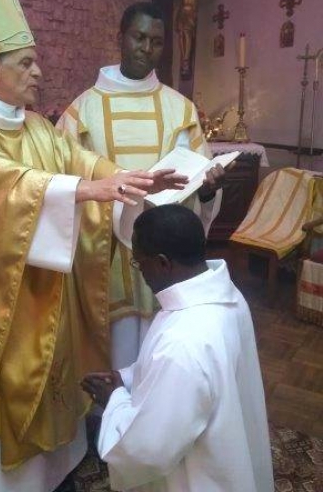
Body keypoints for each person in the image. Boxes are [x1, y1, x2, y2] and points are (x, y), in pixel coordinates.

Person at [0, 0, 187, 491]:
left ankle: (56, 470)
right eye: (26, 63)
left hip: (45, 290)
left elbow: (83, 162)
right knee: (4, 391)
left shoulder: (38, 127)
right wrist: (84, 191)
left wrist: (132, 180)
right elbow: (1, 183)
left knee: (54, 379)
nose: (39, 73)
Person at [57, 1, 225, 370]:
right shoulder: (82, 112)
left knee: (161, 359)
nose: (147, 48)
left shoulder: (181, 110)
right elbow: (65, 182)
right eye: (139, 37)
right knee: (114, 362)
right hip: (105, 254)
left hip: (165, 258)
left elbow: (198, 179)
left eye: (157, 42)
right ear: (120, 38)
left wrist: (208, 190)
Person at [82, 204, 274, 492]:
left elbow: (148, 449)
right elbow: (193, 375)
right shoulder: (225, 294)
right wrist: (128, 378)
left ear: (163, 263)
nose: (141, 272)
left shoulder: (183, 341)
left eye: (139, 263)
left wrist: (114, 399)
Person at [153, 0, 234, 76]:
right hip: (182, 12)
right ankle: (183, 58)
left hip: (190, 13)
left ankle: (186, 58)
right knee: (181, 34)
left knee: (187, 33)